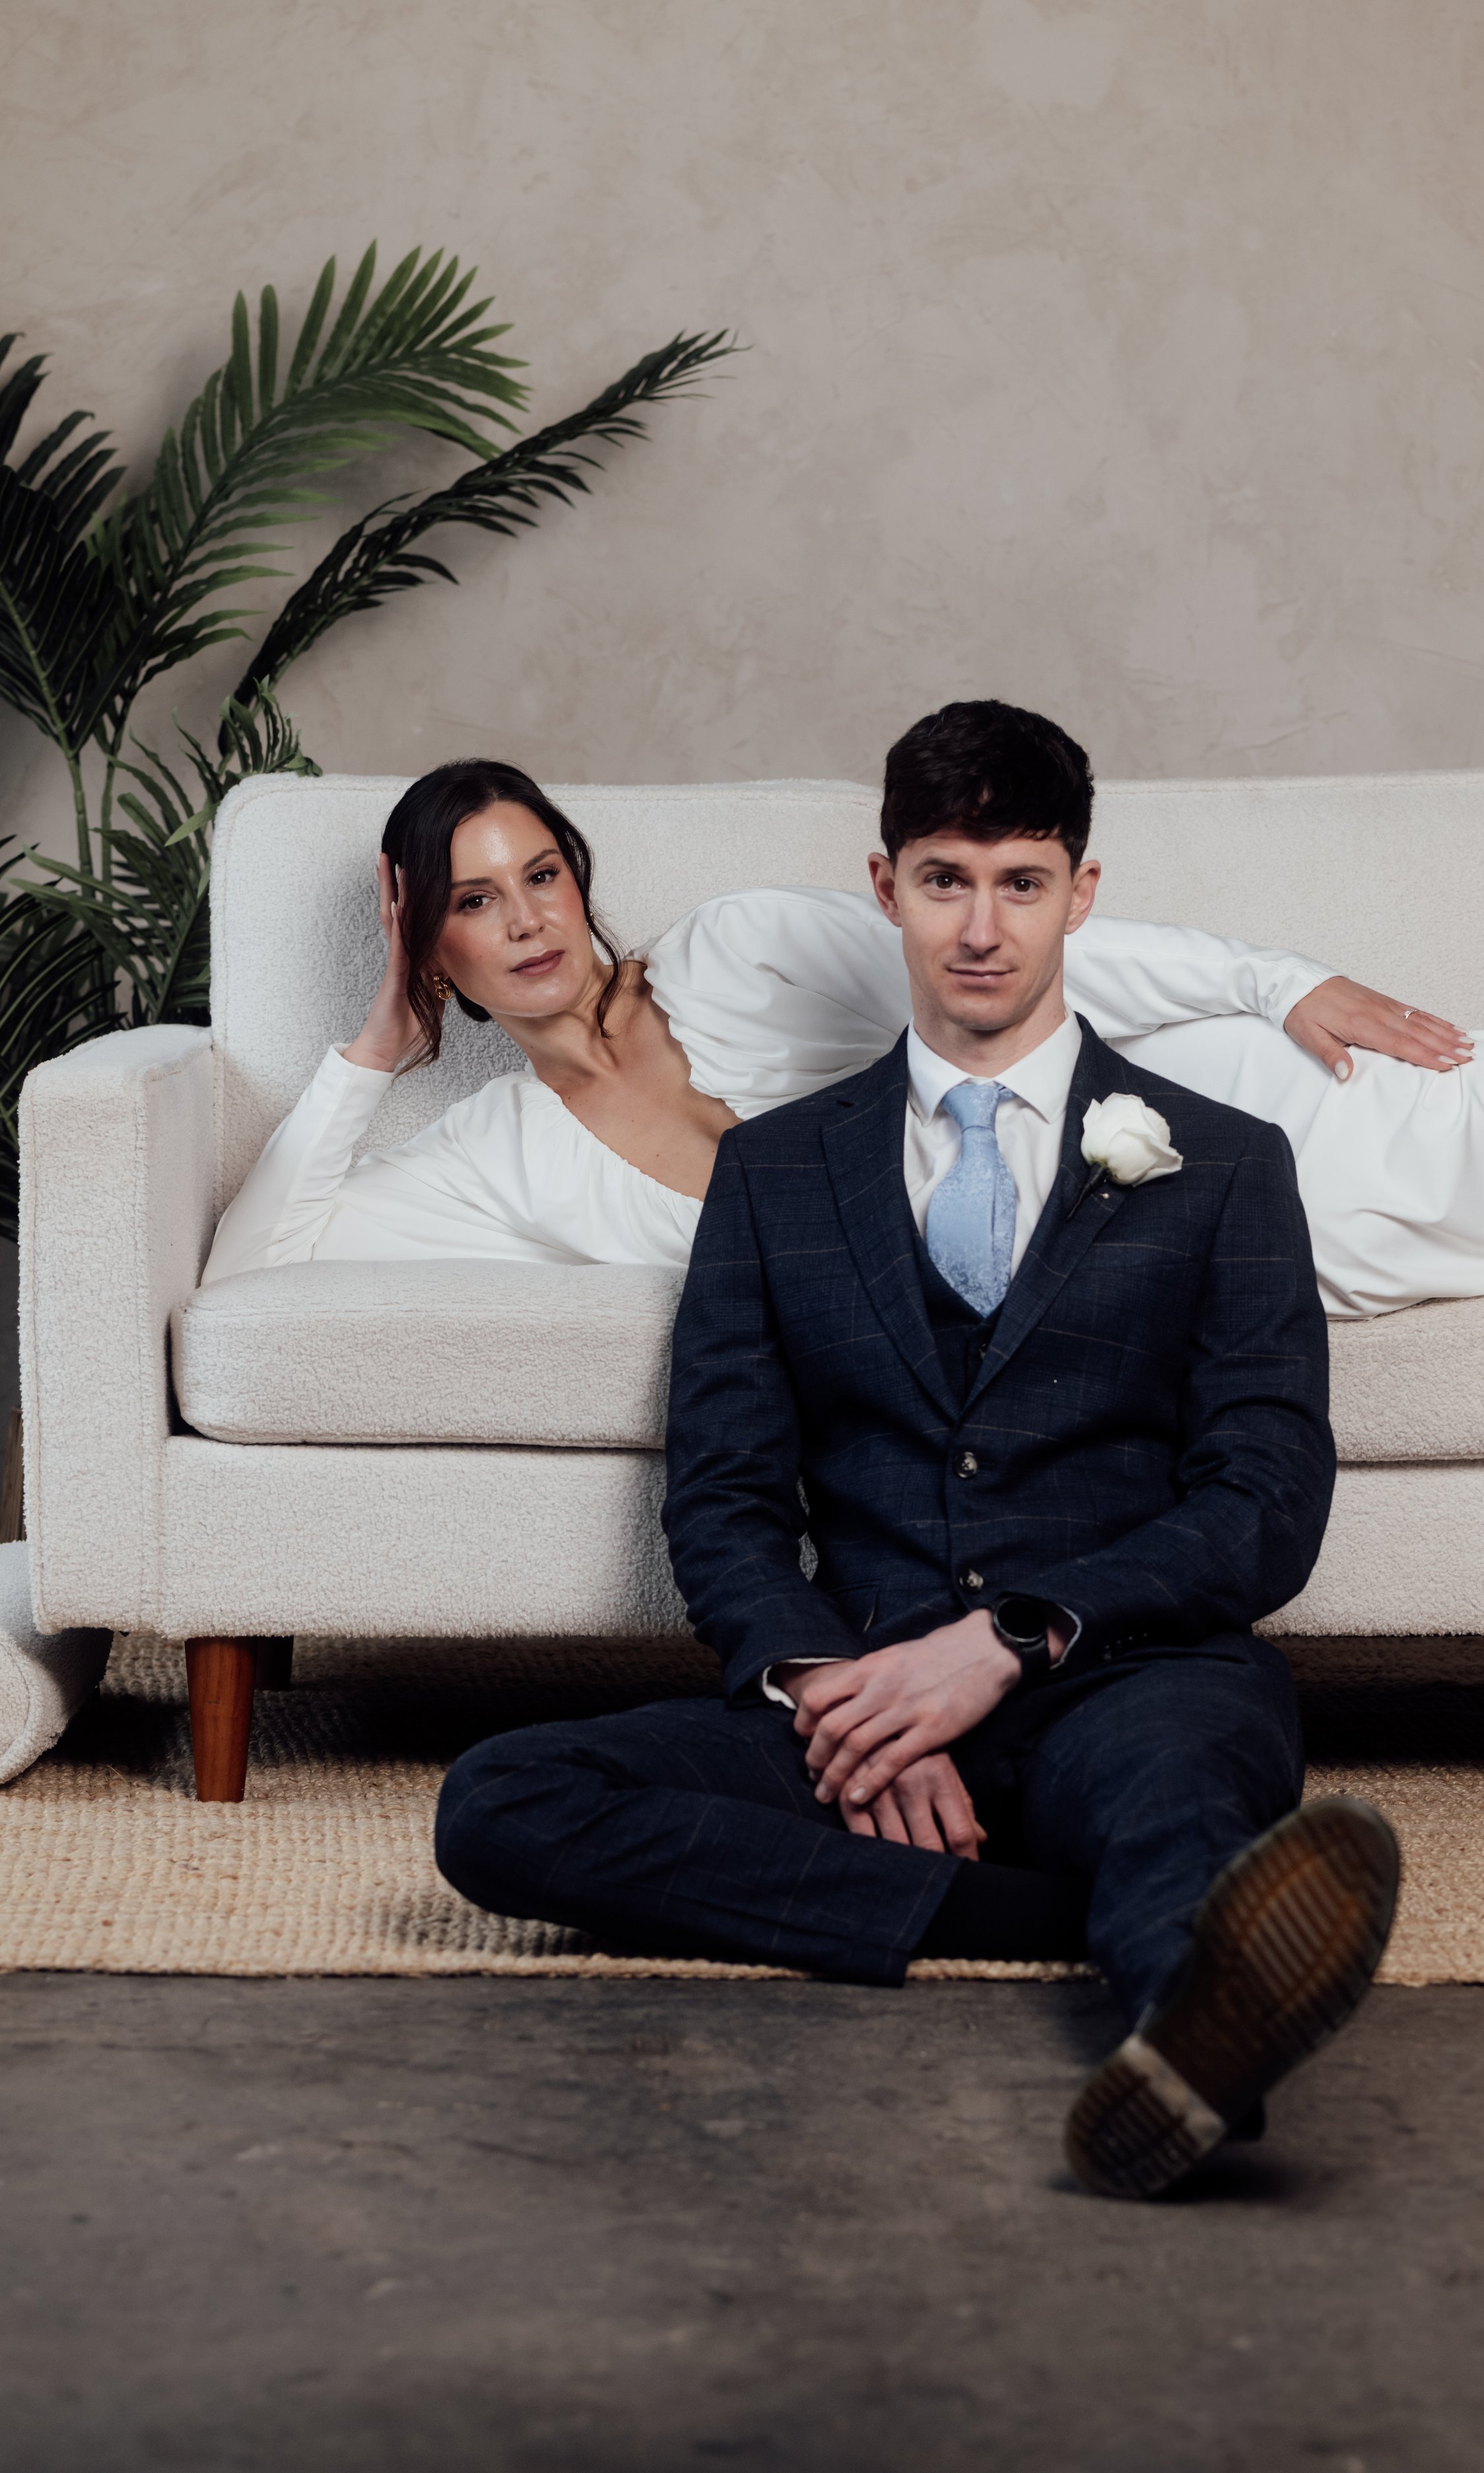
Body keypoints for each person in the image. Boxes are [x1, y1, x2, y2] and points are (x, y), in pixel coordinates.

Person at [432, 700, 1400, 2200]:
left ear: (1080, 894)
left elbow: (1264, 1503)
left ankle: (1183, 2044)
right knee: (500, 1803)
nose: (980, 929)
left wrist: (1012, 1639)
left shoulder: (1221, 1164)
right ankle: (1057, 1915)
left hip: (1130, 1675)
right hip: (867, 1683)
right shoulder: (772, 1172)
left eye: (1020, 882)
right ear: (881, 887)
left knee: (1176, 1802)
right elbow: (726, 1494)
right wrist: (833, 1696)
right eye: (944, 878)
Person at [202, 740, 1484, 1322]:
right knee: (1429, 1233)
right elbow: (249, 1284)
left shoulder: (735, 957)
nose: (524, 918)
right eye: (471, 901)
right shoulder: (497, 1162)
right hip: (1095, 1247)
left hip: (1174, 1105)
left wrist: (1275, 983)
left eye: (541, 874)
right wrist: (377, 1047)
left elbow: (997, 946)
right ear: (431, 945)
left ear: (580, 879)